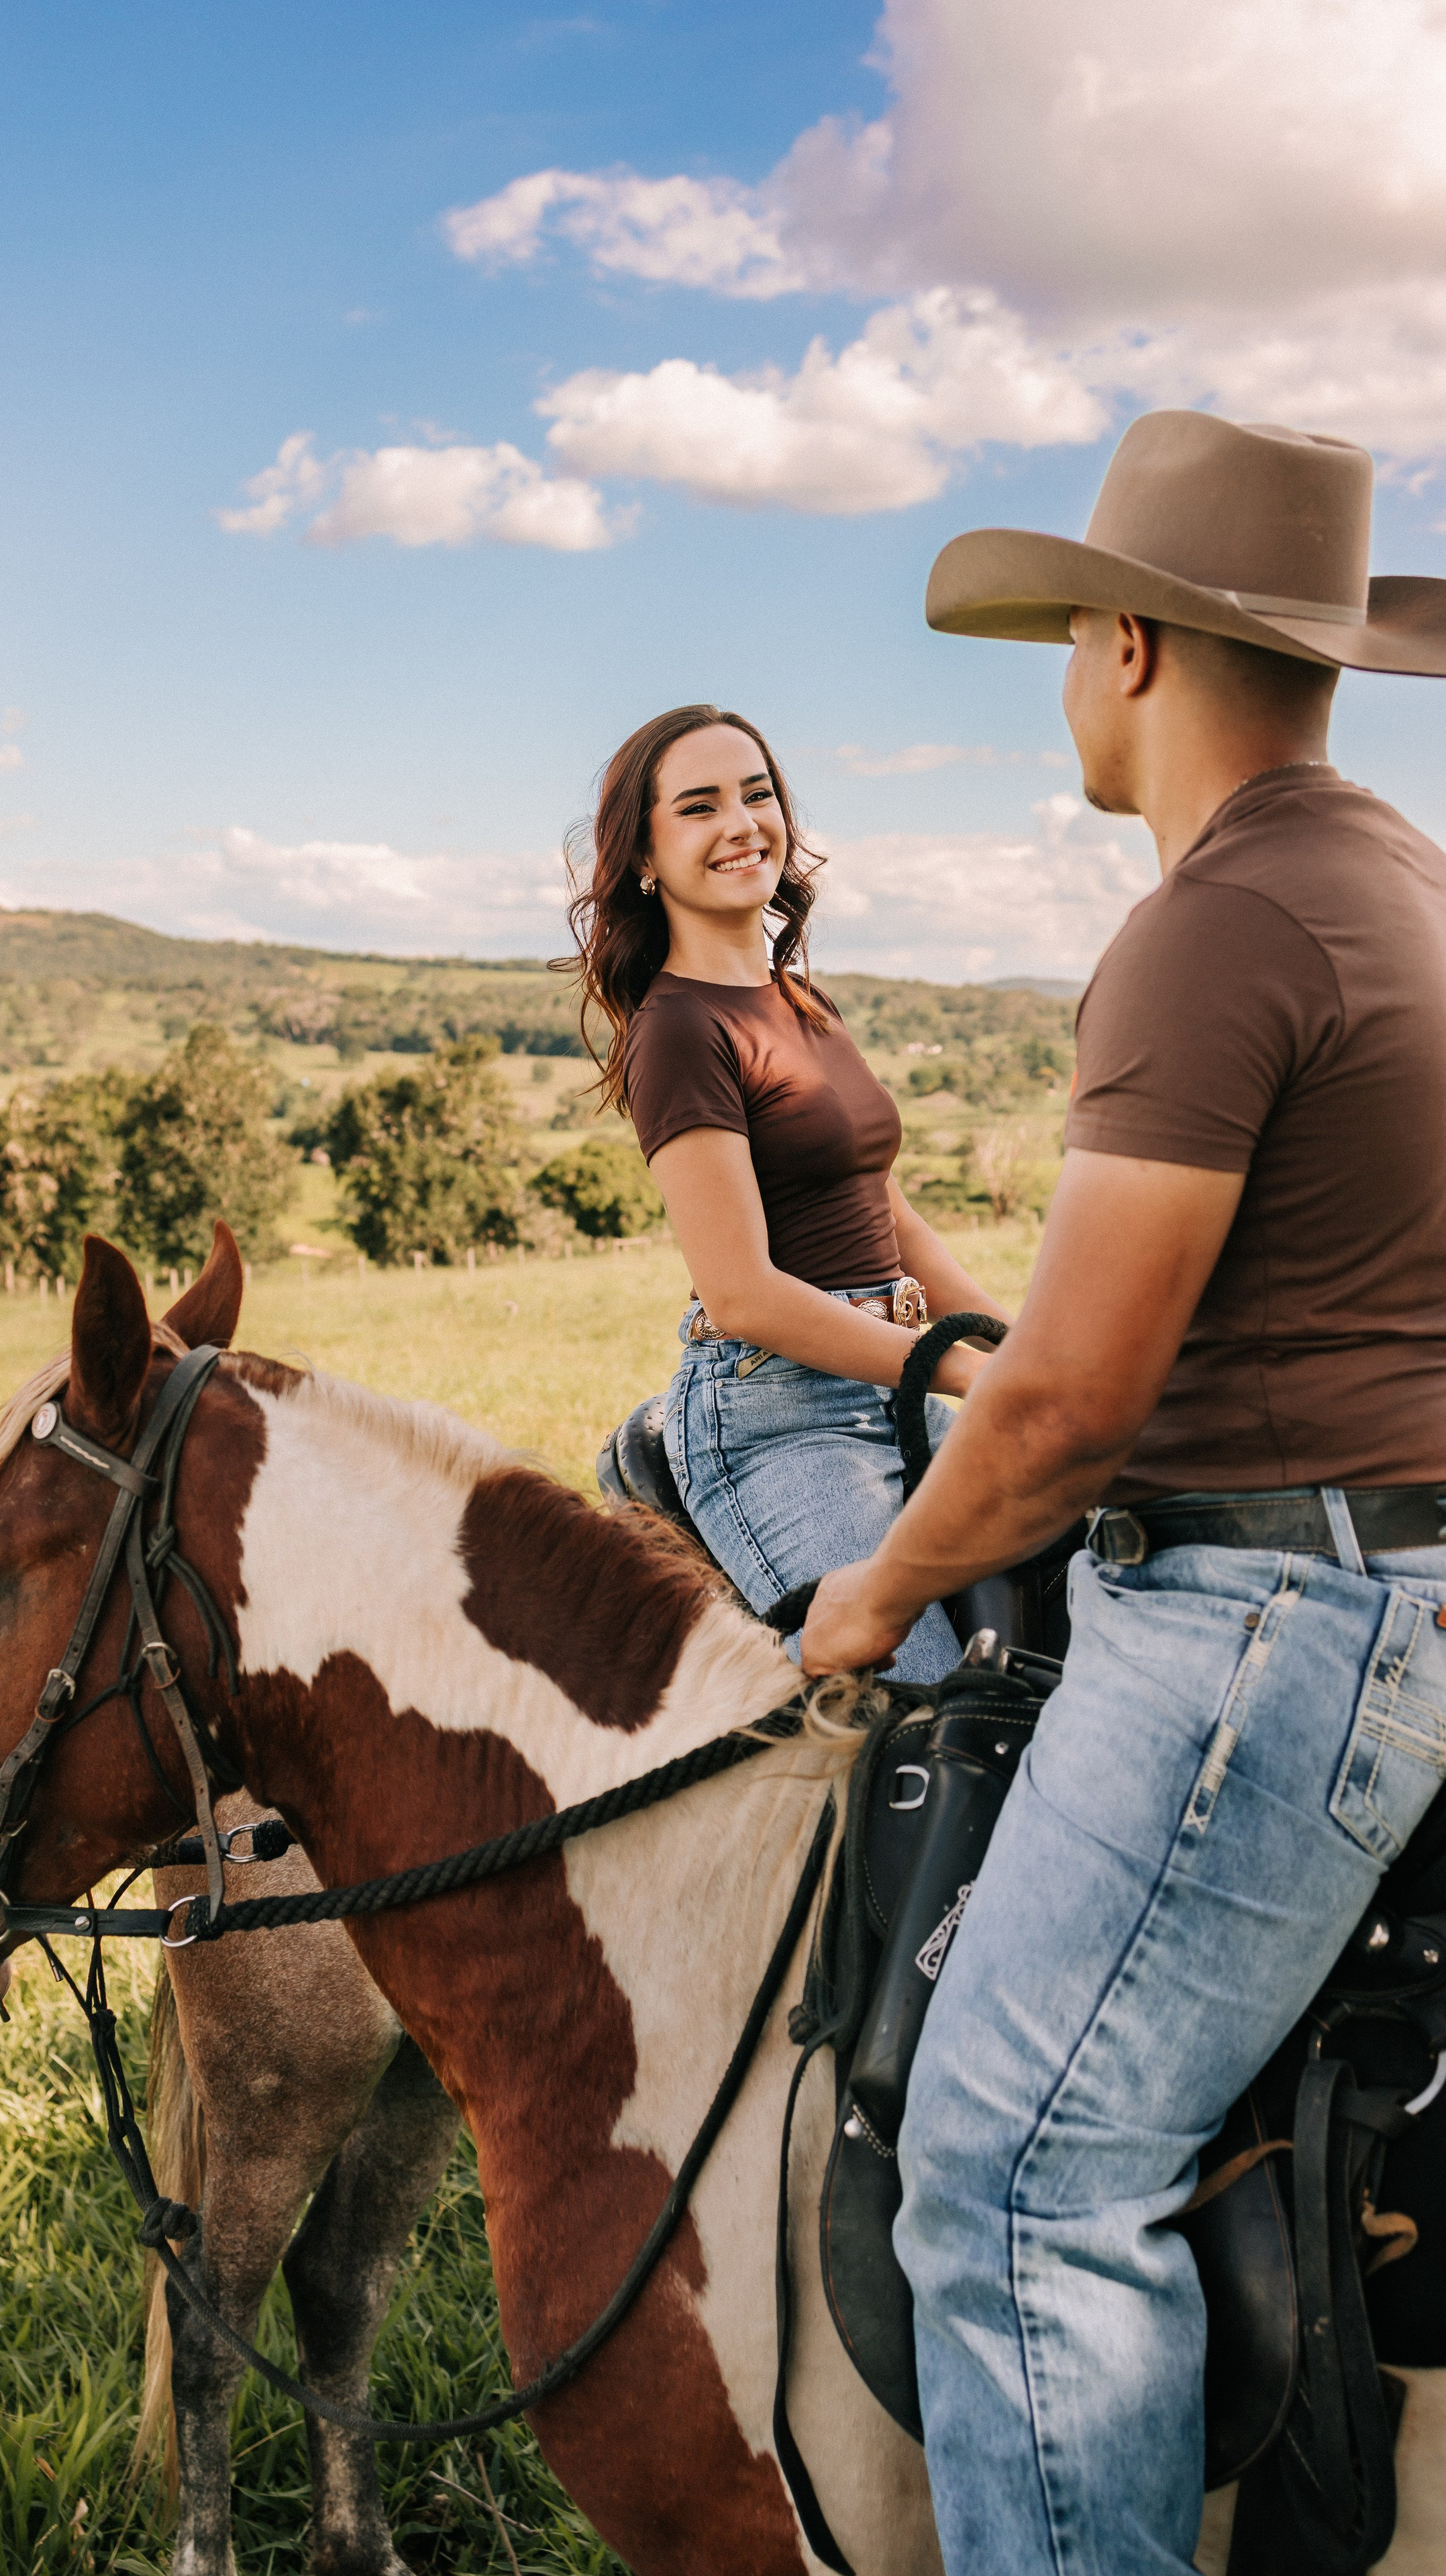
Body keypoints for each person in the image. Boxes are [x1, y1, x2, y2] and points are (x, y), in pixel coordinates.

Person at [801, 411, 1446, 2573]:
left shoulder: (1219, 919)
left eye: (1076, 633)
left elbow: (1070, 1400)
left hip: (1267, 1624)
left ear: (1130, 645)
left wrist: (875, 1591)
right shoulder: (1402, 882)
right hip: (1387, 1581)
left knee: (1009, 2166)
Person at [565, 701, 1006, 1680]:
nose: (742, 823)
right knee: (923, 1705)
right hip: (783, 1418)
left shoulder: (804, 1003)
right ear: (645, 854)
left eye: (757, 794)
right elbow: (744, 1294)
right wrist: (965, 1371)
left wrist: (1010, 1343)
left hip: (895, 1379)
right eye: (700, 806)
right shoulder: (679, 1030)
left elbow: (886, 1214)